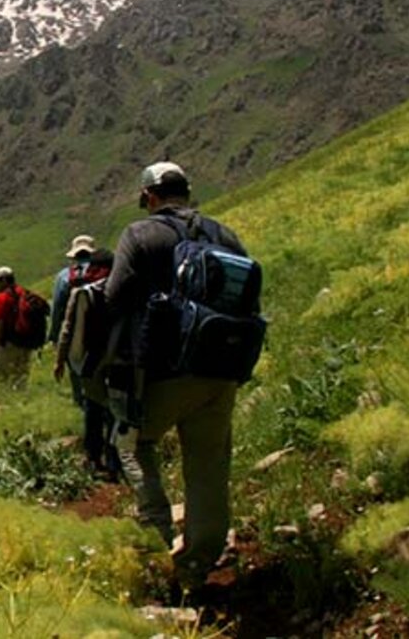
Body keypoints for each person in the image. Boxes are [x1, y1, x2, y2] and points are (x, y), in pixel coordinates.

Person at [103, 161, 250, 592]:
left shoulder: (140, 234)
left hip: (164, 372)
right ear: (186, 191)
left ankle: (157, 533)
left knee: (132, 442)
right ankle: (199, 561)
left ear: (149, 196)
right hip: (221, 368)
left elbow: (115, 297)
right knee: (208, 464)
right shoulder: (224, 234)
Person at [52, 241, 118, 477]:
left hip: (88, 359)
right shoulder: (123, 288)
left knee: (93, 407)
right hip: (118, 358)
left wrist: (59, 358)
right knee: (114, 411)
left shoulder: (74, 287)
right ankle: (114, 462)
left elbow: (66, 327)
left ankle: (93, 458)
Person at [0, 266, 32, 389]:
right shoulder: (24, 293)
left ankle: (6, 403)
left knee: (2, 378)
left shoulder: (1, 298)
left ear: (4, 280)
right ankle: (22, 402)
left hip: (8, 344)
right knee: (21, 377)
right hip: (26, 342)